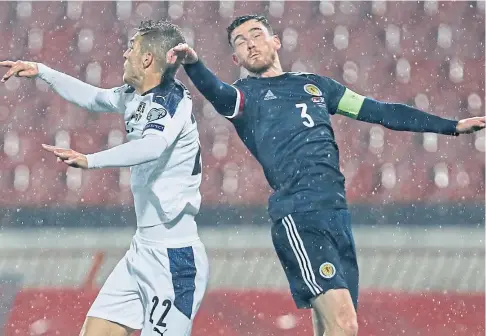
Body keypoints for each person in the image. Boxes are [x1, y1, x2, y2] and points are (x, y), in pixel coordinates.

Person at [166, 14, 485, 336]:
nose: (250, 43)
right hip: (299, 214)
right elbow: (214, 89)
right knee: (344, 325)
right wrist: (193, 64)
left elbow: (382, 111)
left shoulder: (317, 86)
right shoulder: (244, 97)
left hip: (336, 214)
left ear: (275, 41)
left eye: (256, 34)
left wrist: (451, 126)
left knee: (335, 328)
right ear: (236, 58)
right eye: (241, 41)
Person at [1, 20, 208, 336]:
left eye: (131, 49)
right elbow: (95, 98)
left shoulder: (172, 101)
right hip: (142, 251)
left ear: (148, 59)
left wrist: (90, 160)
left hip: (173, 260)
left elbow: (153, 146)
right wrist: (42, 71)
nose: (125, 55)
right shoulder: (134, 95)